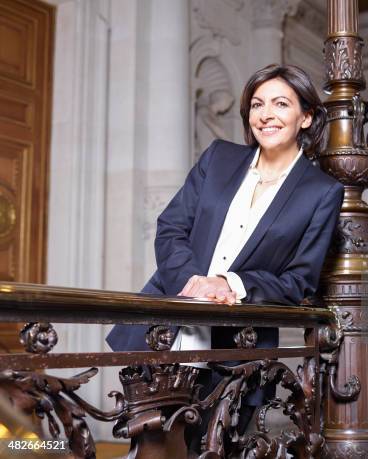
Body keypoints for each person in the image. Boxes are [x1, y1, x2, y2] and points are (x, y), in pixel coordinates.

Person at [105, 64, 344, 445]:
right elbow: (171, 227)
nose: (265, 115)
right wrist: (193, 284)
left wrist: (229, 284)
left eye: (281, 104)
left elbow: (300, 278)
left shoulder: (321, 191)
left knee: (215, 449)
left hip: (238, 351)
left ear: (306, 116)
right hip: (165, 333)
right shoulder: (219, 158)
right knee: (150, 448)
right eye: (256, 104)